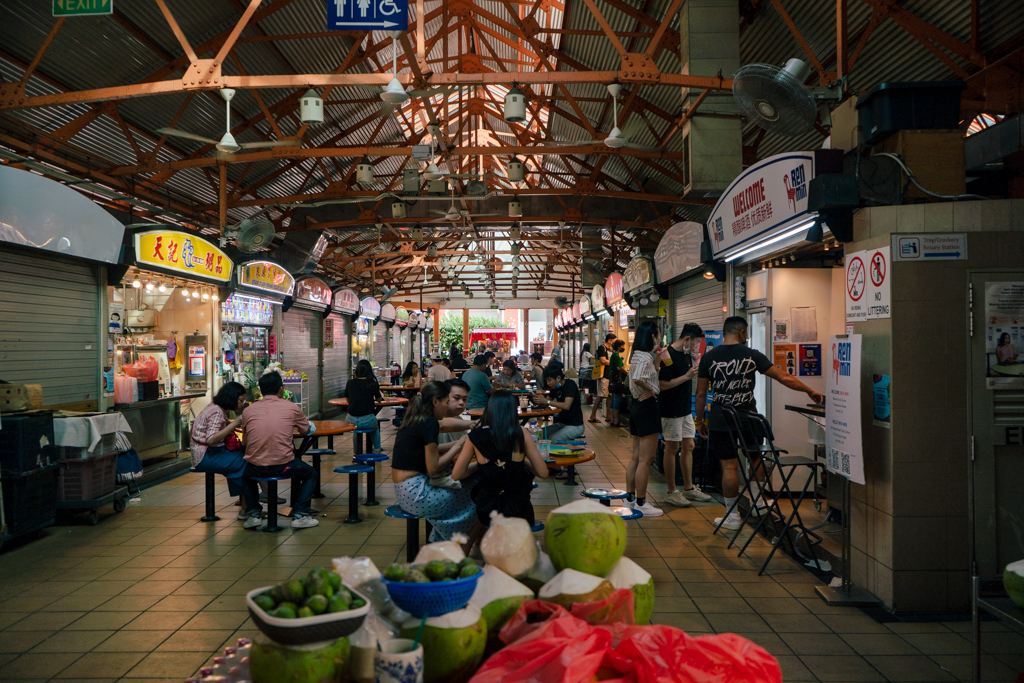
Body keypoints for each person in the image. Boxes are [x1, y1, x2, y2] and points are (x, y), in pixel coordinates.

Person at [695, 316, 823, 530]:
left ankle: (732, 516)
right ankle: (758, 504)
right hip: (749, 417)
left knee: (729, 466)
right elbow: (784, 377)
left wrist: (700, 421)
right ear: (743, 332)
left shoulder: (709, 357)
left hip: (721, 417)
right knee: (756, 458)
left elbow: (700, 394)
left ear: (725, 332)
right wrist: (809, 390)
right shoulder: (752, 355)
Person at [391, 381, 480, 544]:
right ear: (435, 402)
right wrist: (460, 444)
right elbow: (433, 468)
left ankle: (439, 540)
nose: (447, 407)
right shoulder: (430, 422)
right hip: (418, 495)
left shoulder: (416, 418)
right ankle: (460, 543)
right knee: (478, 492)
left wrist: (460, 441)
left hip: (404, 494)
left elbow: (434, 447)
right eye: (446, 402)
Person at [453, 390, 548, 527]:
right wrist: (520, 462)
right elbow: (543, 473)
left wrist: (482, 465)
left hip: (488, 511)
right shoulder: (521, 432)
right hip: (519, 509)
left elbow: (457, 475)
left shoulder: (475, 436)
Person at [240, 372, 319, 529]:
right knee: (311, 474)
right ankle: (300, 515)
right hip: (284, 465)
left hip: (256, 466)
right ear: (281, 389)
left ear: (261, 390)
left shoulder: (248, 411)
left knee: (245, 475)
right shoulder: (291, 407)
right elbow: (305, 430)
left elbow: (245, 442)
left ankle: (254, 514)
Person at [659, 323, 713, 507]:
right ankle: (671, 491)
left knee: (689, 444)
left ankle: (688, 488)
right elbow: (662, 385)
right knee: (672, 448)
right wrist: (687, 376)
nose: (697, 347)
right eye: (696, 342)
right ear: (687, 339)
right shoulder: (667, 355)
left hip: (684, 409)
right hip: (670, 409)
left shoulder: (688, 355)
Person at [191, 382, 249, 519]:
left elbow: (219, 424)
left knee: (242, 458)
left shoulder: (215, 408)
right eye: (240, 401)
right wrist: (235, 423)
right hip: (205, 455)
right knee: (246, 463)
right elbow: (211, 439)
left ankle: (247, 505)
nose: (242, 404)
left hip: (207, 453)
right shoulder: (217, 411)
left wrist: (231, 424)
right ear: (232, 398)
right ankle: (248, 508)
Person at [625, 321, 664, 518]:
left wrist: (657, 359)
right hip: (647, 408)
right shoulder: (645, 359)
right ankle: (641, 502)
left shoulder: (638, 355)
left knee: (636, 457)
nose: (660, 337)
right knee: (645, 460)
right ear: (652, 336)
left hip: (636, 406)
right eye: (658, 334)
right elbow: (638, 378)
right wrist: (650, 390)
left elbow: (648, 375)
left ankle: (630, 498)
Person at [534, 364, 585, 442]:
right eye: (546, 380)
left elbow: (566, 405)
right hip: (562, 424)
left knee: (553, 439)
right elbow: (545, 402)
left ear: (558, 378)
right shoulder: (555, 388)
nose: (548, 383)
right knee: (539, 434)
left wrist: (546, 401)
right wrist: (538, 400)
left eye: (549, 380)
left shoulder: (570, 385)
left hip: (575, 426)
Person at [344, 359, 384, 452]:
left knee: (356, 430)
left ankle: (356, 452)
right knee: (375, 427)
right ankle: (377, 449)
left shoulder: (350, 382)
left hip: (350, 420)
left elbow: (347, 399)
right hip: (367, 420)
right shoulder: (372, 383)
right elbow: (379, 400)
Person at [589, 333, 616, 423]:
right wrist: (613, 362)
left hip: (609, 375)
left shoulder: (609, 349)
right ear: (609, 340)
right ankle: (592, 416)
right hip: (603, 375)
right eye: (614, 341)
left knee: (609, 396)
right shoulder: (602, 348)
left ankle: (608, 416)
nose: (614, 343)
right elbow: (603, 360)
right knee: (600, 395)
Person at [607, 339, 627, 427]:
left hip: (612, 380)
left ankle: (612, 419)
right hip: (617, 381)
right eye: (622, 346)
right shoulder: (616, 355)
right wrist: (627, 372)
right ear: (619, 347)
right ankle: (617, 420)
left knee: (614, 399)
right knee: (617, 400)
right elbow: (619, 368)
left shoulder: (613, 355)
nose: (623, 348)